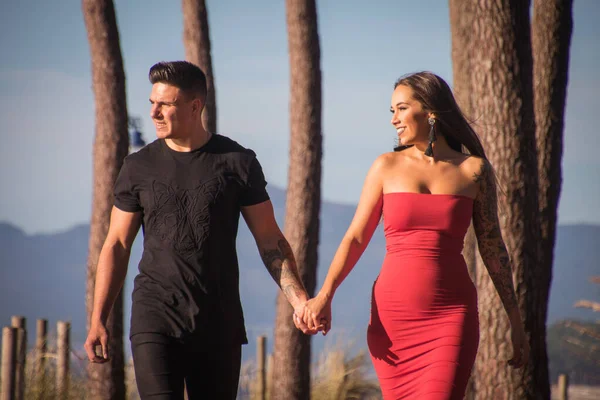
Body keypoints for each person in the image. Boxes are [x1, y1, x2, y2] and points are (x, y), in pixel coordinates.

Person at [84, 60, 319, 400]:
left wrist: (299, 301)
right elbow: (117, 245)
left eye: (165, 104)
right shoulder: (137, 167)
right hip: (155, 316)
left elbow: (270, 240)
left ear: (195, 107)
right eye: (152, 103)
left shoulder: (237, 162)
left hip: (218, 322)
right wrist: (98, 319)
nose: (154, 113)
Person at [300, 72, 530, 399]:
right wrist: (325, 295)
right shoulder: (385, 166)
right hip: (393, 321)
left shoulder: (474, 170)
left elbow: (493, 249)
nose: (393, 119)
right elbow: (355, 238)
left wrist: (515, 321)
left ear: (431, 112)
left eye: (401, 109)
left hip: (451, 317)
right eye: (391, 111)